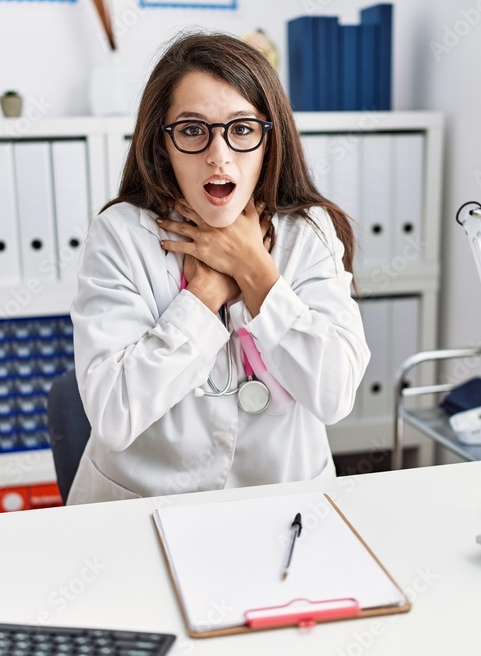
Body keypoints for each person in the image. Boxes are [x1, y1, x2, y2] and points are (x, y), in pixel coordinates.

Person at [67, 31, 369, 504]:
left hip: (281, 507)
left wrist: (255, 272)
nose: (218, 155)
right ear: (160, 143)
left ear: (271, 139)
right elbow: (114, 414)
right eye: (191, 130)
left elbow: (334, 395)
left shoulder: (307, 234)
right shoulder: (122, 235)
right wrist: (202, 296)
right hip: (141, 507)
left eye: (242, 129)